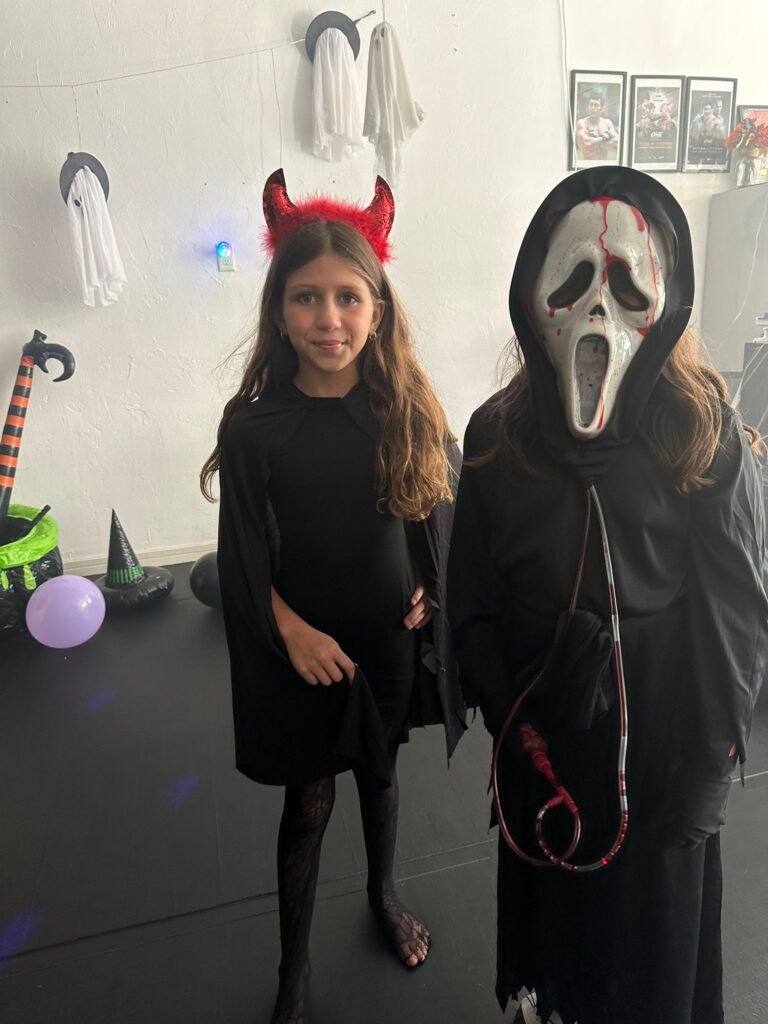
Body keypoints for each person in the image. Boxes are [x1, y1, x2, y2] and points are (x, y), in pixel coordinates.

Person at [447, 166, 768, 1024]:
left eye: (628, 287)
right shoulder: (497, 434)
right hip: (543, 724)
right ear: (534, 297)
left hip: (662, 738)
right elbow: (470, 590)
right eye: (576, 282)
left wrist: (711, 764)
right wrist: (509, 709)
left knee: (652, 942)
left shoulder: (701, 431)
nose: (599, 314)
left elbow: (737, 612)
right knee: (557, 921)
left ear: (667, 306)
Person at [201, 169, 465, 1024]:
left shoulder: (404, 410)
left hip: (386, 639)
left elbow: (437, 506)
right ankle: (293, 967)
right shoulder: (254, 429)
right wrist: (290, 632)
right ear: (279, 312)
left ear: (377, 310)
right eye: (307, 298)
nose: (329, 319)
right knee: (308, 803)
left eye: (349, 298)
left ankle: (383, 894)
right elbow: (241, 558)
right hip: (306, 652)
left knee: (382, 778)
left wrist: (429, 582)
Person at [574, 91, 619, 161]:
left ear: (602, 108)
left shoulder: (607, 123)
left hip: (603, 165)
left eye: (596, 105)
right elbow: (586, 144)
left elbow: (616, 142)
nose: (592, 108)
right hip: (587, 165)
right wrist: (604, 137)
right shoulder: (581, 123)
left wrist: (594, 141)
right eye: (591, 105)